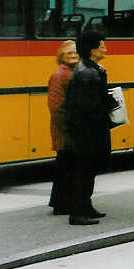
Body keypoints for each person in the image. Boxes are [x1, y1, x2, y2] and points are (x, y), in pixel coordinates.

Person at [65, 30, 115, 226]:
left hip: (84, 130)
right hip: (88, 131)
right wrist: (109, 105)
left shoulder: (88, 68)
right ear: (93, 50)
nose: (106, 48)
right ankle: (78, 212)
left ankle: (86, 207)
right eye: (102, 45)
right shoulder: (89, 72)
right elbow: (90, 106)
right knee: (85, 171)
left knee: (88, 170)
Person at [47, 40, 79, 215]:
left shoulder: (70, 72)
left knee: (67, 166)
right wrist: (69, 128)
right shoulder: (61, 75)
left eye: (75, 53)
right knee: (65, 166)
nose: (73, 56)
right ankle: (61, 204)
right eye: (69, 53)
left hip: (68, 128)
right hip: (66, 130)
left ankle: (62, 203)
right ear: (61, 56)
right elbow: (56, 107)